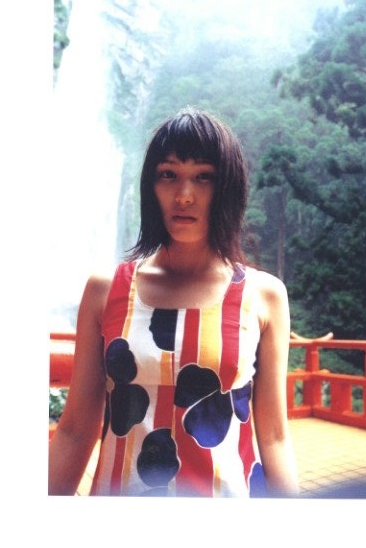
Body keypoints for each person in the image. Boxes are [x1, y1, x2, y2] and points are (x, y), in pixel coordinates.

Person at [48, 107, 299, 497]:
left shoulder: (263, 296)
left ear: (227, 188)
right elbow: (75, 430)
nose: (184, 196)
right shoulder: (105, 291)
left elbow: (275, 436)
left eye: (204, 177)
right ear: (151, 186)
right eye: (168, 175)